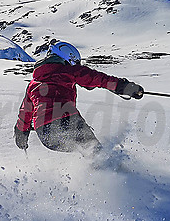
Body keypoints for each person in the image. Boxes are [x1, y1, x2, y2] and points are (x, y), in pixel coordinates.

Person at [14, 41, 144, 155]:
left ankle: (97, 176)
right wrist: (124, 87)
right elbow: (98, 79)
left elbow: (25, 112)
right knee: (95, 152)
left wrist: (21, 134)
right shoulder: (68, 71)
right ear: (67, 58)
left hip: (45, 134)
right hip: (66, 121)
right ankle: (117, 175)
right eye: (75, 62)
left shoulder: (33, 84)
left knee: (87, 152)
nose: (76, 65)